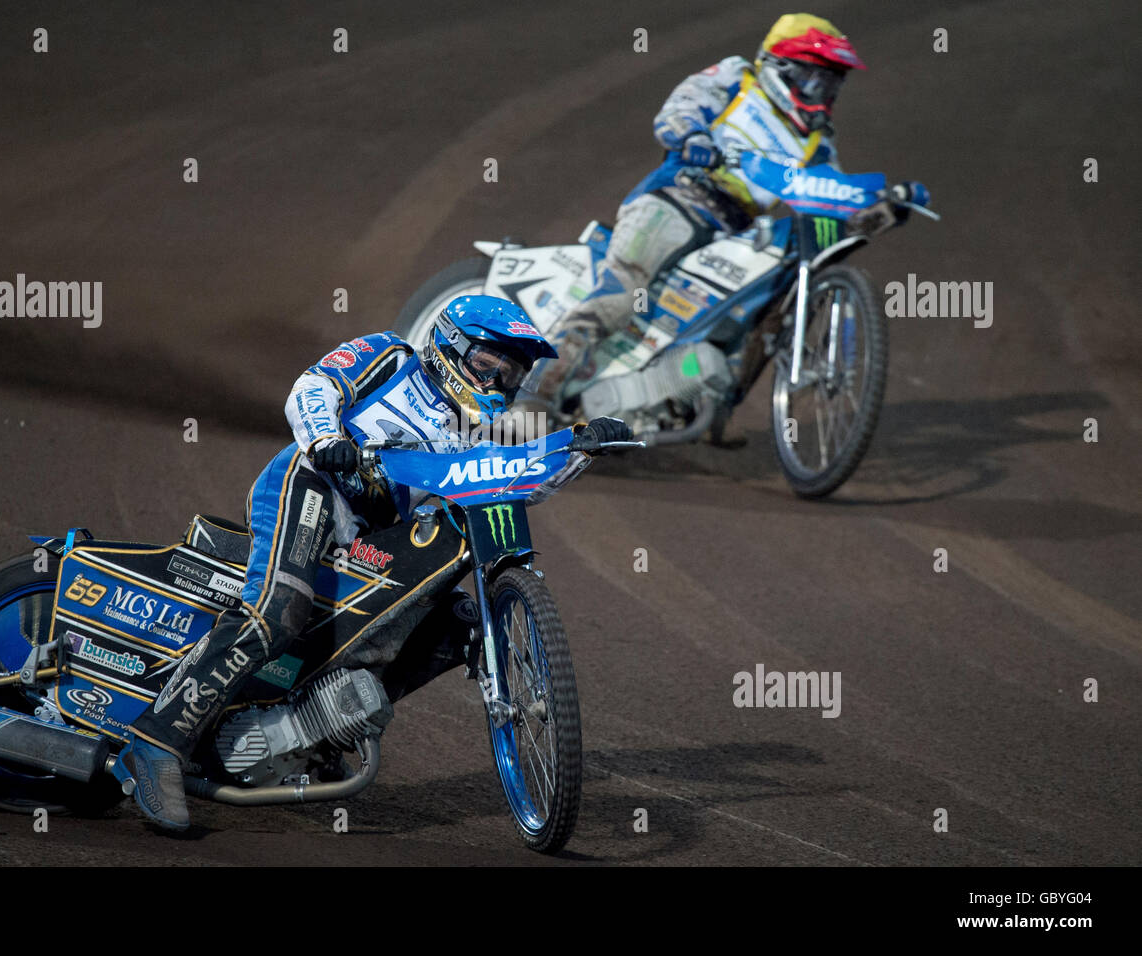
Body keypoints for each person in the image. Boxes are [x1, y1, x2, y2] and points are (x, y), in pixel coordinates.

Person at [112, 294, 633, 829]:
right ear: (450, 348)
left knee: (456, 628)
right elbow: (313, 386)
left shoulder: (474, 434)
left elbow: (516, 474)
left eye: (512, 370)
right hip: (312, 483)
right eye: (488, 363)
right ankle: (156, 742)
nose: (499, 379)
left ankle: (315, 727)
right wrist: (326, 439)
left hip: (367, 533)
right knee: (279, 609)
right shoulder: (391, 355)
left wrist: (580, 446)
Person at [529, 13, 867, 410]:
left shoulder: (818, 142)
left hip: (736, 233)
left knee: (770, 307)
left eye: (832, 85)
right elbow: (681, 107)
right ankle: (533, 394)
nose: (824, 95)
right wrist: (691, 135)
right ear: (782, 68)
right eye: (816, 80)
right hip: (676, 201)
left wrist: (880, 204)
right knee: (621, 295)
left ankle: (702, 406)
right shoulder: (737, 80)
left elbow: (835, 192)